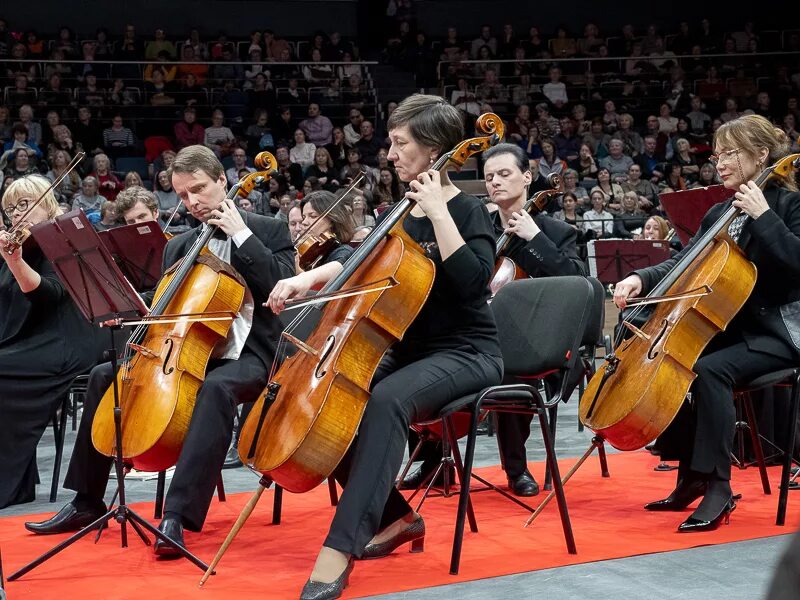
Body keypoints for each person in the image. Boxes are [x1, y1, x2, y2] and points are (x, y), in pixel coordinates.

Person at [267, 94, 503, 599]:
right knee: (335, 398)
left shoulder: (467, 210)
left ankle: (339, 550)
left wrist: (441, 213)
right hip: (412, 348)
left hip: (466, 351)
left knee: (386, 400)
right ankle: (398, 518)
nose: (390, 154)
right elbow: (364, 257)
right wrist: (307, 279)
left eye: (400, 144)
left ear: (435, 149)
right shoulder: (399, 210)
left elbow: (475, 283)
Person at [25, 145, 295, 557]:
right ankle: (86, 500)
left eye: (200, 190)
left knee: (216, 389)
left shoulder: (269, 230)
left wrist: (241, 234)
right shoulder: (178, 245)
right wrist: (130, 305)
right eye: (184, 195)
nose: (192, 203)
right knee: (104, 376)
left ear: (223, 181)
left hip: (250, 354)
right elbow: (165, 301)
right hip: (186, 348)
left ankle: (178, 515)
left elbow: (281, 288)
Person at [612, 115, 800, 533]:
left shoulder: (790, 203)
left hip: (781, 331)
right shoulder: (721, 210)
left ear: (761, 154)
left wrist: (764, 215)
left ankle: (718, 486)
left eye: (730, 152)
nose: (720, 161)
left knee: (710, 369)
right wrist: (640, 277)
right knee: (673, 360)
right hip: (732, 325)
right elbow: (685, 260)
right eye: (718, 154)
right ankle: (692, 475)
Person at [484, 143, 586, 495]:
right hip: (481, 331)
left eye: (504, 174)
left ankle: (516, 468)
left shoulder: (556, 233)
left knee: (508, 365)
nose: (495, 182)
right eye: (489, 177)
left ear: (527, 178)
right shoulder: (478, 227)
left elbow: (578, 282)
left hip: (537, 336)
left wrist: (534, 237)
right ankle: (436, 458)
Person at [0, 175, 98, 508]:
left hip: (66, 340)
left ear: (48, 203)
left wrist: (15, 262)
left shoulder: (62, 238)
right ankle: (18, 479)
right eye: (10, 209)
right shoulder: (16, 246)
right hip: (30, 340)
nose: (16, 214)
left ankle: (8, 483)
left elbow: (49, 293)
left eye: (25, 204)